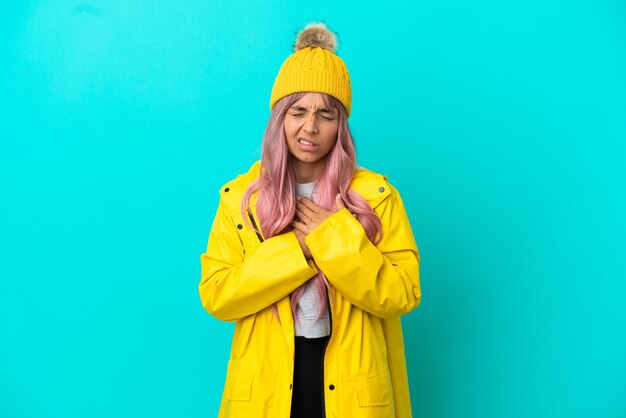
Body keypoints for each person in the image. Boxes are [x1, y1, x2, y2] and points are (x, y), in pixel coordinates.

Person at [199, 22, 421, 418]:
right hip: (267, 381)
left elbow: (402, 293)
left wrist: (332, 238)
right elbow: (218, 294)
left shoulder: (376, 196)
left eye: (326, 114)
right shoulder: (240, 199)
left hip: (353, 378)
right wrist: (297, 248)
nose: (310, 127)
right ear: (279, 118)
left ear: (341, 125)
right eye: (298, 111)